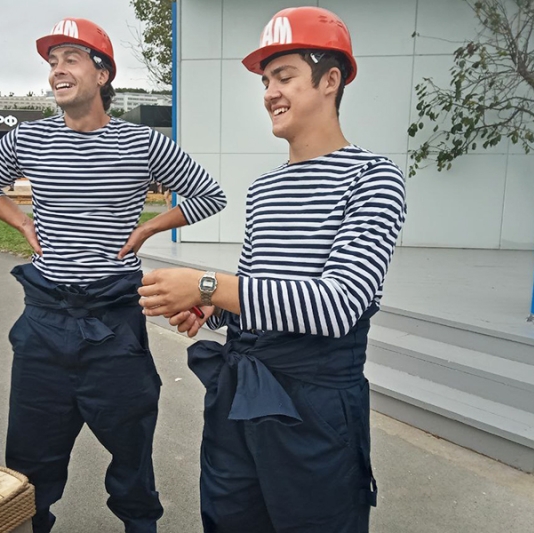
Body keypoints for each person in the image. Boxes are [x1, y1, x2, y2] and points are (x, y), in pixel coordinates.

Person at [138, 7, 407, 532]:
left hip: (316, 407)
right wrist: (211, 308)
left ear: (330, 80)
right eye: (266, 81)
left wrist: (208, 283)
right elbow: (256, 295)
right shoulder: (265, 187)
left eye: (284, 76)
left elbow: (337, 306)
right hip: (241, 397)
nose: (269, 93)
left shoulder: (375, 179)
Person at [0, 16, 226, 533]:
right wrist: (21, 222)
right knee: (29, 467)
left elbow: (208, 195)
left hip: (114, 328)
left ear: (102, 73)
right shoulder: (30, 139)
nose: (57, 71)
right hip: (44, 325)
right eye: (52, 62)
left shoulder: (142, 143)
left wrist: (149, 228)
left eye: (71, 59)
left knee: (132, 463)